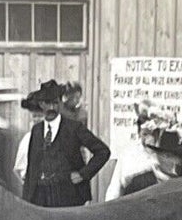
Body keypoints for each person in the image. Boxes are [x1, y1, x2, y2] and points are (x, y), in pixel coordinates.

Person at [14, 79, 110, 207]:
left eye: (55, 103)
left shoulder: (74, 128)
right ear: (41, 104)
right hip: (40, 199)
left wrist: (83, 174)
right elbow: (32, 168)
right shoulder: (36, 131)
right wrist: (27, 199)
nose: (52, 108)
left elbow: (103, 151)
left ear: (60, 103)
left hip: (68, 197)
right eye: (48, 103)